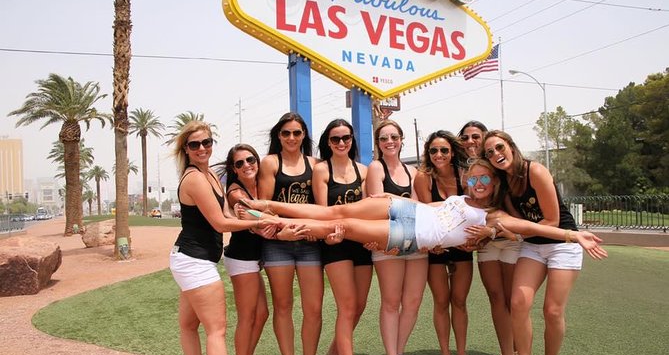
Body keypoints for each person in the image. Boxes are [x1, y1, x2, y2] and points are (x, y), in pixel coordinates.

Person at [237, 159, 607, 268]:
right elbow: (431, 207)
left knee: (343, 225)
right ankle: (267, 205)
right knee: (337, 209)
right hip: (405, 208)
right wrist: (390, 195)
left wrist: (574, 235)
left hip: (412, 236)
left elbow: (530, 225)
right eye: (474, 177)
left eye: (485, 179)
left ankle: (270, 222)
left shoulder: (494, 217)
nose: (478, 183)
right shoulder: (460, 198)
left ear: (494, 184)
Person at [169, 121, 271, 355]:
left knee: (189, 325)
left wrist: (254, 217)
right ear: (186, 149)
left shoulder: (210, 174)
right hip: (195, 261)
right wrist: (261, 222)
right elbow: (220, 223)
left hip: (190, 259)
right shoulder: (194, 179)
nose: (202, 148)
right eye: (195, 144)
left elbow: (228, 212)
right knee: (216, 330)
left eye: (207, 142)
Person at [483, 129, 585, 355]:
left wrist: (517, 233)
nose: (496, 154)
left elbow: (552, 220)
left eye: (499, 147)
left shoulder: (535, 171)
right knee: (518, 303)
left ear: (511, 146)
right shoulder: (504, 184)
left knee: (552, 310)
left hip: (563, 243)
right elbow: (516, 222)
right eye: (490, 153)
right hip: (533, 247)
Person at [222, 144, 307, 355]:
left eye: (250, 160)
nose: (246, 166)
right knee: (247, 316)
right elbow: (249, 215)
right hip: (241, 260)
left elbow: (259, 219)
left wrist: (268, 219)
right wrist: (277, 221)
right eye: (239, 163)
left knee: (261, 313)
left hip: (252, 260)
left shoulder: (261, 187)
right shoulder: (236, 192)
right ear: (234, 169)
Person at [257, 112, 329, 355]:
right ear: (279, 135)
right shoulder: (270, 163)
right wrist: (282, 231)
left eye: (297, 133)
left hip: (309, 244)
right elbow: (264, 207)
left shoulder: (316, 164)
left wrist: (314, 229)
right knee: (283, 305)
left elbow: (321, 208)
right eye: (286, 133)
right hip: (278, 244)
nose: (291, 138)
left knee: (314, 307)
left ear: (304, 135)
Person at [313, 119, 377, 355]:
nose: (341, 143)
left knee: (359, 305)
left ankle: (334, 353)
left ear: (352, 139)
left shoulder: (363, 170)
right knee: (347, 306)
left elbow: (369, 209)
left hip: (360, 242)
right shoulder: (321, 170)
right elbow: (323, 212)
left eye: (346, 138)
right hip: (334, 244)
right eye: (335, 139)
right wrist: (330, 235)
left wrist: (370, 235)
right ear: (327, 142)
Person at [365, 120, 427, 355]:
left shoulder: (413, 171)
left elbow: (418, 208)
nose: (389, 142)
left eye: (394, 137)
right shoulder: (375, 168)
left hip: (415, 243)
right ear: (378, 144)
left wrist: (400, 201)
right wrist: (409, 203)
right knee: (391, 302)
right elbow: (379, 205)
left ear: (402, 140)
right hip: (388, 242)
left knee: (412, 302)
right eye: (383, 138)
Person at [458, 120, 522, 355]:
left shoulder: (500, 168)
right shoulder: (466, 170)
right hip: (487, 245)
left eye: (476, 136)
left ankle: (521, 353)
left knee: (513, 299)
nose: (470, 141)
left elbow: (518, 222)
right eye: (465, 137)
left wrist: (496, 230)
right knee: (496, 298)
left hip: (510, 241)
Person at [414, 130, 477, 355]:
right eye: (433, 151)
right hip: (436, 249)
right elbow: (425, 212)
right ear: (428, 153)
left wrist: (472, 241)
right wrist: (435, 244)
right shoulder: (424, 177)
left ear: (452, 153)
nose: (438, 155)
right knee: (441, 302)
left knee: (459, 302)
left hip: (462, 247)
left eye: (444, 150)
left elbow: (475, 207)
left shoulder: (466, 176)